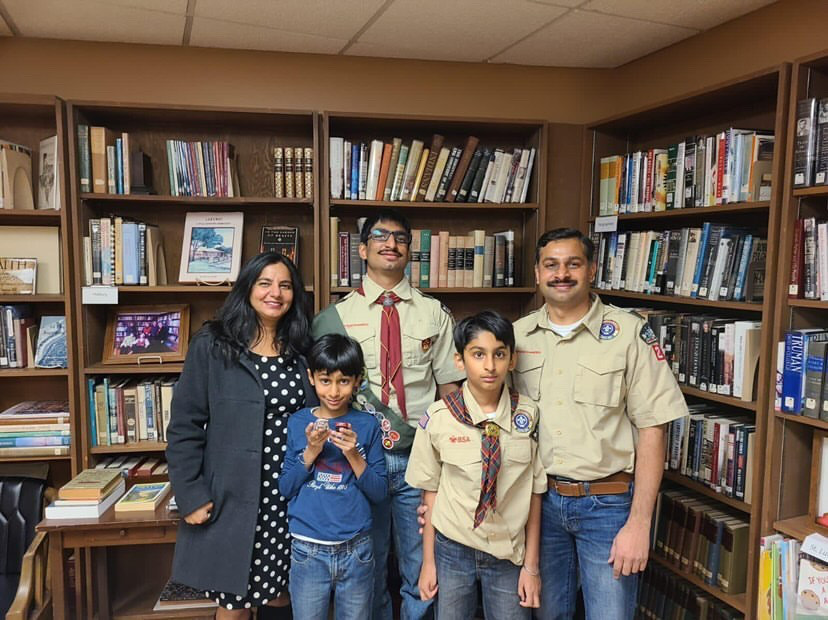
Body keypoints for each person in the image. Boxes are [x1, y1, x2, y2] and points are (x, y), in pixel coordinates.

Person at [510, 228, 688, 619]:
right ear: (538, 273)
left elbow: (653, 429)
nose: (562, 274)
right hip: (540, 506)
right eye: (551, 265)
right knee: (546, 614)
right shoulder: (517, 336)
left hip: (608, 507)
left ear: (592, 270)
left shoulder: (628, 334)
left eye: (573, 264)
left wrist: (639, 523)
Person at [312, 208, 464, 620]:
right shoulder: (334, 317)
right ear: (362, 249)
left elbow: (450, 390)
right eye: (380, 236)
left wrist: (450, 454)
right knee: (368, 562)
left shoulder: (435, 314)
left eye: (400, 237)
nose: (390, 243)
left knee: (421, 562)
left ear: (409, 250)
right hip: (359, 459)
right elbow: (323, 391)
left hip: (421, 459)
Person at [166, 252, 318, 620]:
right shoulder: (213, 345)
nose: (275, 293)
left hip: (291, 491)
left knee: (282, 590)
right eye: (265, 283)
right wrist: (190, 494)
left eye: (284, 285)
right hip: (233, 495)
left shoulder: (302, 350)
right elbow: (184, 425)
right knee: (235, 600)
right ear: (247, 288)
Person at [406, 311, 544, 620]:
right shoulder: (439, 418)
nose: (490, 366)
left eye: (499, 354)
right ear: (459, 360)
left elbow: (535, 494)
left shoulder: (529, 415)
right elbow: (430, 494)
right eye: (478, 354)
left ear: (512, 359)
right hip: (453, 548)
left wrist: (531, 567)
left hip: (509, 553)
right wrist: (429, 562)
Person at [279, 333, 387, 619]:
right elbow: (286, 487)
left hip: (357, 549)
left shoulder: (367, 425)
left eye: (344, 381)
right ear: (312, 378)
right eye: (326, 380)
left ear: (357, 382)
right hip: (307, 548)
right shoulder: (298, 422)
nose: (335, 391)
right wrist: (312, 451)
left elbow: (379, 493)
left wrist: (353, 454)